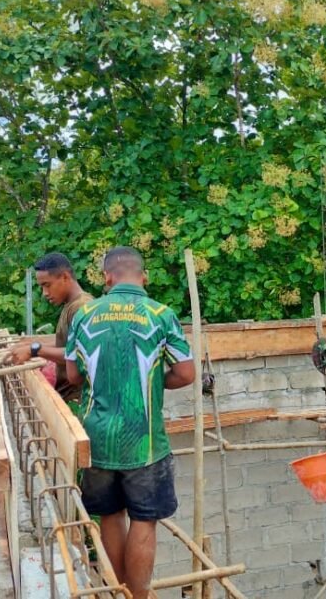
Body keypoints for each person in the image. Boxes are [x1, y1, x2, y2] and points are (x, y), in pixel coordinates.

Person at [64, 246, 195, 598]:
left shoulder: (84, 315)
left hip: (95, 439)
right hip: (145, 441)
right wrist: (155, 384)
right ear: (144, 277)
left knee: (110, 515)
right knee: (144, 519)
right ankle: (137, 596)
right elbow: (186, 373)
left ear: (107, 277)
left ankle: (116, 593)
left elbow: (73, 376)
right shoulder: (161, 315)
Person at [6, 253, 94, 403]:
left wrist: (35, 350)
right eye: (42, 287)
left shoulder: (83, 307)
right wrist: (30, 344)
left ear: (65, 277)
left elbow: (82, 354)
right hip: (69, 396)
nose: (45, 293)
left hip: (80, 399)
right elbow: (67, 344)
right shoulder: (71, 305)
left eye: (47, 285)